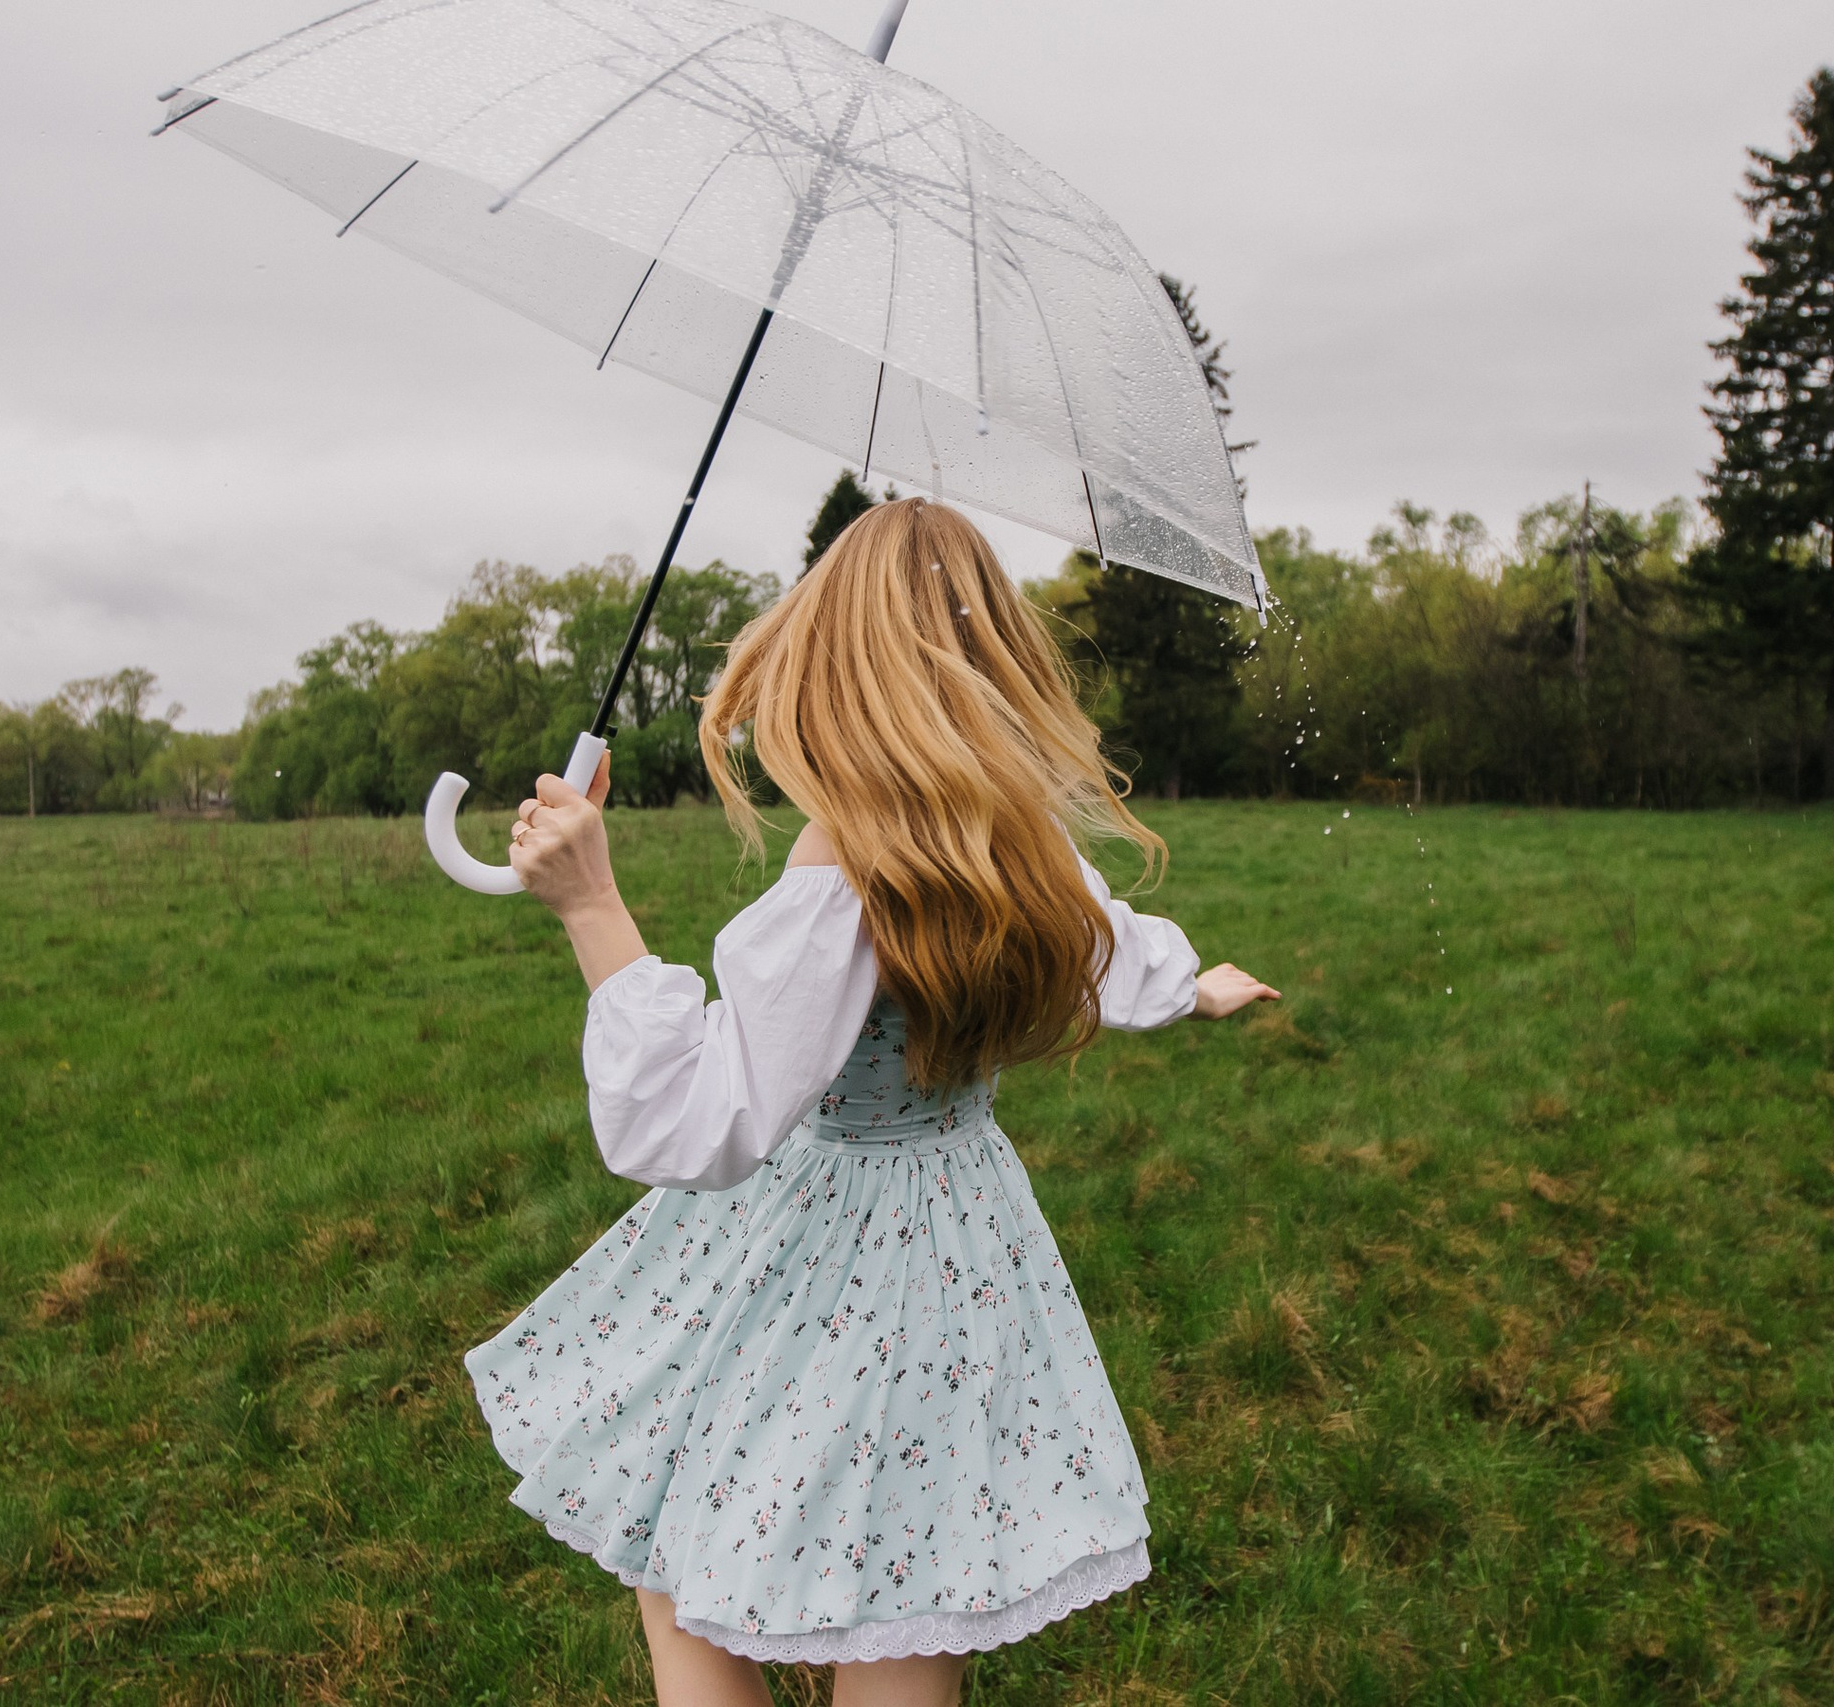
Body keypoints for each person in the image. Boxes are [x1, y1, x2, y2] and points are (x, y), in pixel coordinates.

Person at [468, 498, 1279, 1706]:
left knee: (681, 1504)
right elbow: (1113, 946)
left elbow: (694, 1127)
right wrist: (1194, 990)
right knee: (908, 1564)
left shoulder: (838, 871)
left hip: (815, 1233)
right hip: (961, 1239)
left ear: (828, 663)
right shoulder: (1017, 845)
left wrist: (593, 907)